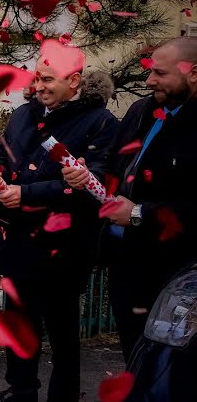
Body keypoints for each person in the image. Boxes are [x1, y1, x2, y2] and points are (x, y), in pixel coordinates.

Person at [0, 46, 118, 402]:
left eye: (48, 79)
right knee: (19, 322)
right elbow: (2, 155)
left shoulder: (101, 123)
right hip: (17, 238)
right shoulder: (24, 113)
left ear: (74, 81)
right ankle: (21, 391)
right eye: (37, 77)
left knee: (61, 329)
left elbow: (94, 184)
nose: (38, 85)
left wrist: (26, 193)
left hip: (65, 245)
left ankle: (63, 396)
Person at [61, 36, 197, 363]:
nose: (149, 80)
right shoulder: (141, 111)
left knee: (170, 368)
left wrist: (139, 213)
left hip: (177, 272)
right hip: (126, 262)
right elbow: (113, 166)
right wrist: (87, 175)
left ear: (193, 72)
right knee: (134, 358)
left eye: (160, 73)